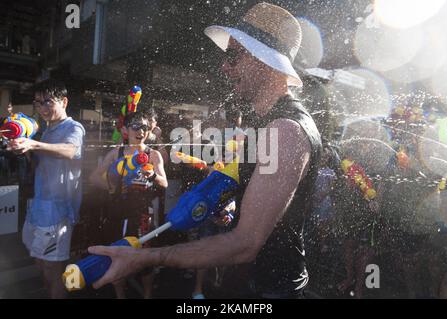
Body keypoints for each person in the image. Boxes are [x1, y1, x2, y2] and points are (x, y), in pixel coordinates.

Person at [88, 2, 322, 298]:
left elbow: (246, 243)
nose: (224, 66)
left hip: (271, 291)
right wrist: (234, 207)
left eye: (234, 56)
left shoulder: (285, 130)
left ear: (266, 62)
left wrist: (145, 257)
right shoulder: (267, 123)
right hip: (252, 285)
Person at [7, 80, 85, 299]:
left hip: (57, 212)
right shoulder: (47, 131)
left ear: (64, 101)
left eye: (48, 102)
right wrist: (26, 151)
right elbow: (41, 165)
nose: (42, 108)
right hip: (39, 207)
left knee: (53, 271)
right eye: (38, 103)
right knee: (41, 264)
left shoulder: (73, 127)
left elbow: (70, 150)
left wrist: (33, 145)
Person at [89, 110, 168, 298]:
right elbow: (93, 177)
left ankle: (147, 295)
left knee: (145, 258)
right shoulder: (117, 152)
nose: (140, 131)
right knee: (117, 253)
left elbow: (164, 182)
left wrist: (153, 176)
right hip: (117, 212)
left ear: (149, 131)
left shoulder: (153, 154)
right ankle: (120, 295)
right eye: (136, 127)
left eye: (145, 128)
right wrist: (112, 187)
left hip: (143, 214)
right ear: (125, 130)